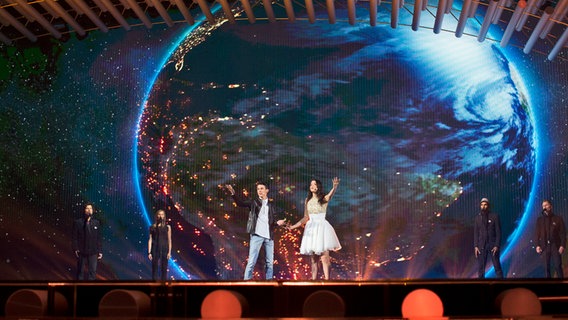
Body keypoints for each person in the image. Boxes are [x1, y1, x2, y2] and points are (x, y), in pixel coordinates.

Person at [225, 181, 287, 280]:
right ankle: (247, 282)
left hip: (268, 236)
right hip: (256, 235)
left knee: (269, 263)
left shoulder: (271, 205)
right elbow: (240, 203)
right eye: (258, 189)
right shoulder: (253, 202)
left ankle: (269, 283)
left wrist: (278, 223)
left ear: (267, 190)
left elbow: (272, 220)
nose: (260, 191)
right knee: (252, 261)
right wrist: (233, 193)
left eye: (262, 189)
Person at [289, 177, 341, 280]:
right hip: (311, 229)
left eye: (315, 184)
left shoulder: (323, 198)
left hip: (322, 227)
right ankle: (314, 281)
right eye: (311, 184)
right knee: (314, 259)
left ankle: (327, 281)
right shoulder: (307, 200)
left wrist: (334, 187)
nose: (312, 186)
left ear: (318, 187)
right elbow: (305, 217)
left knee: (325, 257)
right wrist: (293, 226)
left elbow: (330, 195)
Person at [473, 198, 504, 278]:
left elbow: (498, 232)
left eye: (485, 205)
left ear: (488, 206)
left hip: (493, 245)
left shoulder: (494, 216)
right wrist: (476, 246)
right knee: (481, 268)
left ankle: (501, 283)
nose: (483, 207)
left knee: (497, 266)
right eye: (482, 205)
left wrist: (497, 245)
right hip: (481, 246)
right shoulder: (477, 218)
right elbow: (476, 233)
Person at [535, 199, 566, 278]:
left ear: (550, 206)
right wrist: (537, 245)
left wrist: (562, 245)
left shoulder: (558, 219)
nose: (544, 207)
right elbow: (537, 234)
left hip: (555, 245)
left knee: (558, 265)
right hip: (544, 246)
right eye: (543, 206)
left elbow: (562, 233)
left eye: (546, 205)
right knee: (546, 268)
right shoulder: (540, 220)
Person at [72, 203, 103, 280]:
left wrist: (100, 251)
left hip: (93, 252)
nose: (89, 210)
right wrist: (75, 248)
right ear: (84, 210)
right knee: (80, 272)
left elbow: (98, 238)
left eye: (91, 208)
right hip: (82, 251)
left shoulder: (96, 223)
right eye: (87, 208)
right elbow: (74, 237)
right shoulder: (78, 222)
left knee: (92, 272)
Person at [148, 209, 172, 281]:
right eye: (159, 214)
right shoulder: (152, 227)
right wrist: (149, 252)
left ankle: (163, 284)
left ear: (164, 216)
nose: (160, 216)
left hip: (164, 248)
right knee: (154, 267)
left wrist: (169, 252)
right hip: (155, 248)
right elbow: (150, 239)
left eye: (162, 214)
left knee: (164, 267)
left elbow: (169, 240)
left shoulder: (168, 227)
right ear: (156, 216)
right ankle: (154, 283)